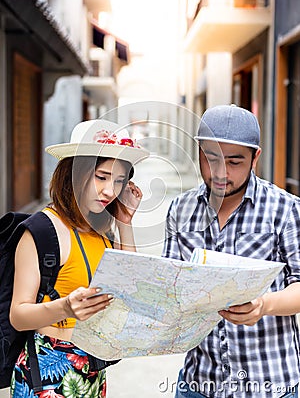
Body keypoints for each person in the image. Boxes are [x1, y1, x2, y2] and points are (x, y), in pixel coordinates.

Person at [163, 104, 300, 398]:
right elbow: (166, 285)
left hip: (270, 384)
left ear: (255, 158)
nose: (220, 172)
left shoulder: (286, 210)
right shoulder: (180, 209)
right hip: (198, 383)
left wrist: (264, 305)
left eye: (234, 161)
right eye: (210, 158)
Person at [10, 118, 149, 397]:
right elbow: (18, 315)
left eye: (119, 181)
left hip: (94, 371)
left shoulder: (100, 231)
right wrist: (66, 308)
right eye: (101, 177)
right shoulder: (42, 229)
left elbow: (129, 287)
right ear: (75, 173)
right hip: (47, 376)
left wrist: (125, 222)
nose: (110, 191)